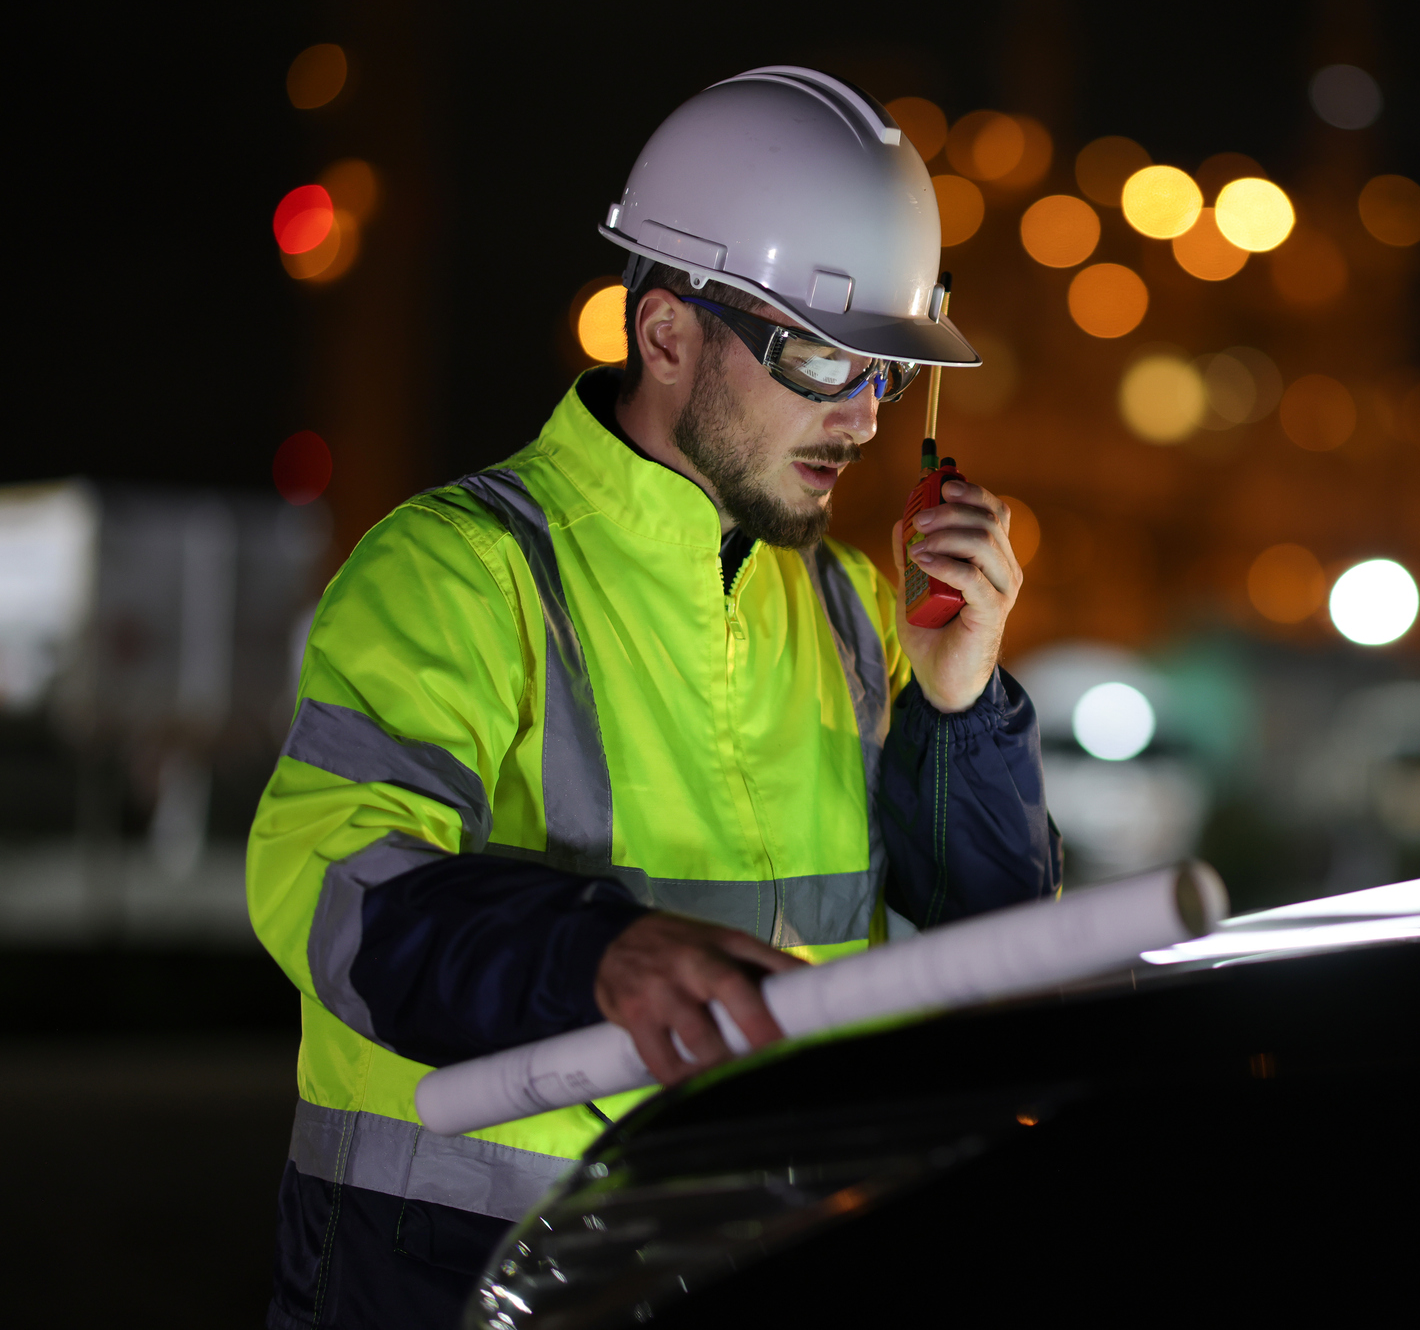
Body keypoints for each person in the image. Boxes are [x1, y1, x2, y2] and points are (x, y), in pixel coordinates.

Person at [248, 66, 1061, 1329]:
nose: (858, 416)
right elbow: (328, 885)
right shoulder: (459, 569)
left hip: (759, 1237)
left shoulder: (851, 605)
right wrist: (598, 953)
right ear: (667, 333)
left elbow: (985, 948)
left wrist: (961, 710)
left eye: (885, 372)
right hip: (456, 1269)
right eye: (817, 356)